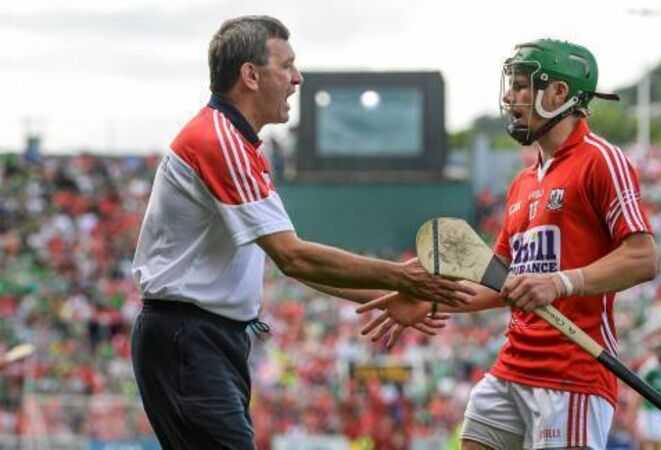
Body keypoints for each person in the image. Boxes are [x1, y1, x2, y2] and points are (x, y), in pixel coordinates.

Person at [130, 15, 472, 450]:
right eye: (286, 65)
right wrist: (400, 277)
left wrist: (385, 294)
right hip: (188, 338)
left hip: (200, 338)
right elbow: (293, 257)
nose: (297, 77)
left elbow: (292, 262)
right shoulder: (221, 141)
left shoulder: (238, 142)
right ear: (250, 75)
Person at [359, 39, 659, 450]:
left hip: (572, 375)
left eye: (520, 86)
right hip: (512, 368)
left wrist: (560, 283)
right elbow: (498, 281)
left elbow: (643, 258)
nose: (508, 97)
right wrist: (430, 302)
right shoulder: (522, 182)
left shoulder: (601, 160)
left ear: (559, 93)